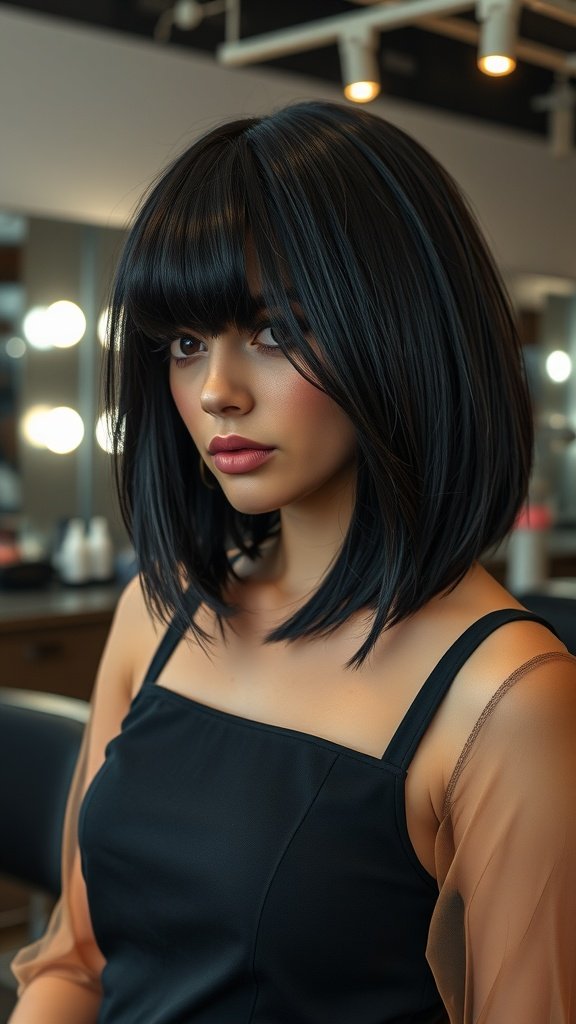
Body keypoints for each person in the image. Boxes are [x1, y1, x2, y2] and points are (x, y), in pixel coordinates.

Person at [9, 101, 576, 1024]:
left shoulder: (505, 701)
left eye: (274, 334)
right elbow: (76, 963)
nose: (217, 391)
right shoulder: (158, 615)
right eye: (187, 344)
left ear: (402, 334)